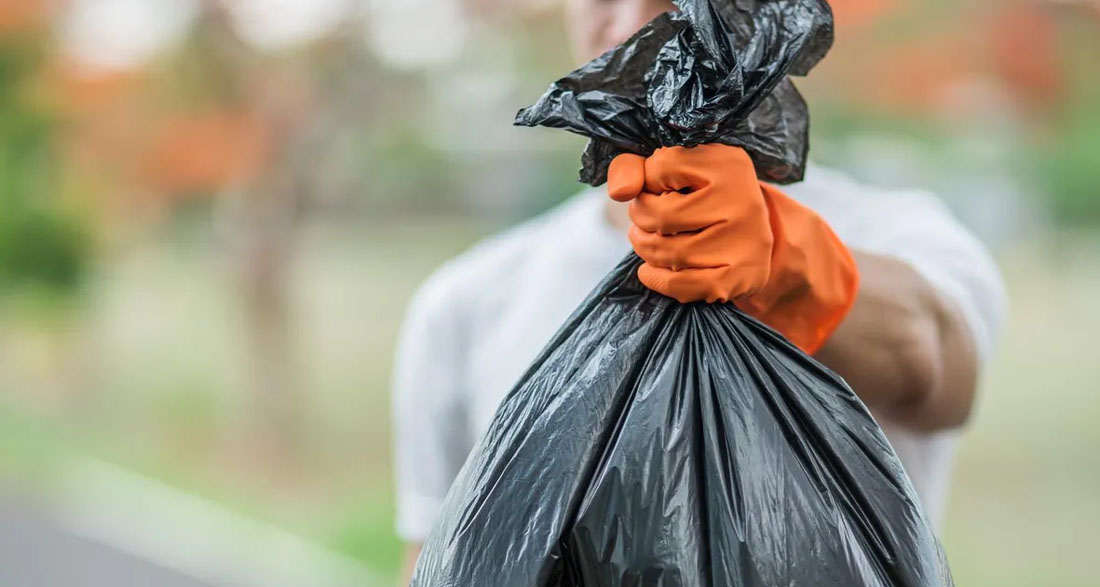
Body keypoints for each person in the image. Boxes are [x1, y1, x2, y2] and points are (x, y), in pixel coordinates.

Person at [391, 0, 1006, 583]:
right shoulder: (466, 303)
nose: (629, 23)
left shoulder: (902, 236)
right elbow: (438, 557)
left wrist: (788, 260)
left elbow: (933, 360)